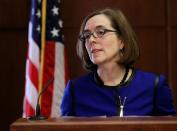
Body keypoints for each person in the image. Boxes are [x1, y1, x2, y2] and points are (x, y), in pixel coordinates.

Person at [61, 8, 176, 117]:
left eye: (101, 32)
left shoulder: (154, 86)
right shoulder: (75, 89)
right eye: (86, 35)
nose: (91, 40)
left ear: (122, 41)